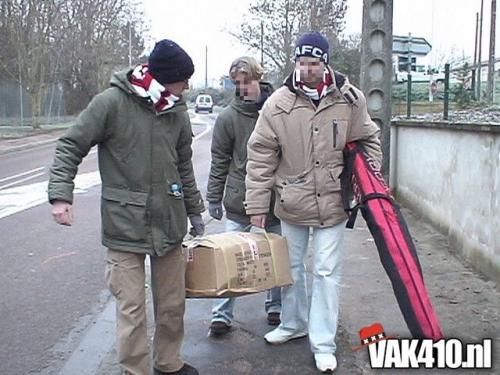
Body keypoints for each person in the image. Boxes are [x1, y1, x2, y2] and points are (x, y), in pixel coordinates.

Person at [48, 39, 205, 375]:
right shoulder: (111, 103)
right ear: (164, 78)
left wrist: (195, 211)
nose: (187, 86)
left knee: (172, 304)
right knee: (132, 308)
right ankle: (135, 371)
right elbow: (70, 145)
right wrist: (61, 194)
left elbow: (184, 166)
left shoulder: (176, 111)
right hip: (124, 224)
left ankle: (168, 363)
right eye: (183, 79)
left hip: (169, 222)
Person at [244, 32, 382, 373]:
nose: (306, 70)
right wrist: (257, 206)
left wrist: (370, 183)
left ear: (326, 63)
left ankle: (323, 343)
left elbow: (368, 141)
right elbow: (261, 155)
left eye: (314, 64)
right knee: (289, 269)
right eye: (301, 63)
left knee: (326, 271)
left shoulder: (349, 100)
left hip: (335, 201)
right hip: (291, 199)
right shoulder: (277, 103)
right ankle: (293, 323)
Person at [206, 56, 282, 336]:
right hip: (239, 200)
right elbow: (219, 160)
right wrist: (213, 198)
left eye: (247, 82)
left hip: (275, 200)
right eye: (237, 83)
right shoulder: (228, 117)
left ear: (258, 79)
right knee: (229, 259)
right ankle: (221, 315)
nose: (242, 88)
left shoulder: (277, 111)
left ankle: (276, 307)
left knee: (276, 256)